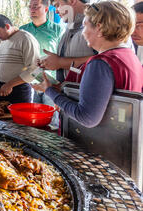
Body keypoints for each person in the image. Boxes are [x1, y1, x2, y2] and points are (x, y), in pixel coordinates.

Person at [32, 1, 142, 129]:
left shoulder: (100, 63)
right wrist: (63, 91)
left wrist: (49, 91)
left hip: (96, 143)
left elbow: (87, 117)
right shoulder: (129, 55)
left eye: (85, 26)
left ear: (99, 29)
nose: (83, 33)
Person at [20, 0, 64, 127]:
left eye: (35, 7)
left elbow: (62, 57)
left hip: (51, 83)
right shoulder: (23, 30)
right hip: (29, 82)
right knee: (30, 120)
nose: (32, 10)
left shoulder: (58, 30)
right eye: (30, 7)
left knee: (51, 121)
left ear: (46, 9)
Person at [0, 15, 40, 104]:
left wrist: (10, 84)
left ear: (7, 26)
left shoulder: (26, 38)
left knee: (18, 117)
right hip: (1, 88)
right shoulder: (0, 42)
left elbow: (34, 69)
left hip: (20, 90)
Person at [38, 0, 95, 83]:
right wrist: (50, 63)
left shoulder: (98, 23)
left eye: (57, 5)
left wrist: (60, 62)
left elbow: (105, 61)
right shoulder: (69, 26)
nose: (56, 11)